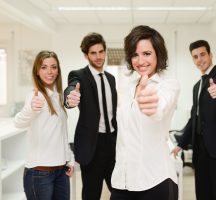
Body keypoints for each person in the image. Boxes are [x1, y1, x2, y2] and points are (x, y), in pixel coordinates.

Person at [110, 25, 180, 200]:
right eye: (135, 54)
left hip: (155, 181)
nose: (140, 61)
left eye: (147, 53)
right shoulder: (127, 88)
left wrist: (152, 107)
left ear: (158, 53)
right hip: (122, 181)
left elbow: (160, 108)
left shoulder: (168, 85)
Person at [171, 40, 216, 200]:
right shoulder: (197, 86)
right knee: (203, 192)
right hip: (199, 148)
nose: (199, 59)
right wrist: (181, 143)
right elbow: (194, 118)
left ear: (210, 55)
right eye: (195, 56)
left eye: (202, 54)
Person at [14, 50, 75, 200]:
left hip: (60, 171)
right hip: (39, 174)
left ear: (58, 70)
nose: (50, 71)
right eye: (44, 67)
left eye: (53, 67)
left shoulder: (57, 97)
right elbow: (18, 122)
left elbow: (61, 133)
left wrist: (70, 159)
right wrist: (31, 109)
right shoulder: (35, 96)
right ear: (37, 71)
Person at [64, 32, 117, 200]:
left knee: (120, 191)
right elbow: (71, 89)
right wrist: (70, 98)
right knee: (91, 194)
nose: (98, 56)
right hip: (92, 146)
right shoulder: (79, 75)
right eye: (93, 53)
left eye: (101, 52)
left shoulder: (111, 79)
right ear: (86, 55)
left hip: (113, 143)